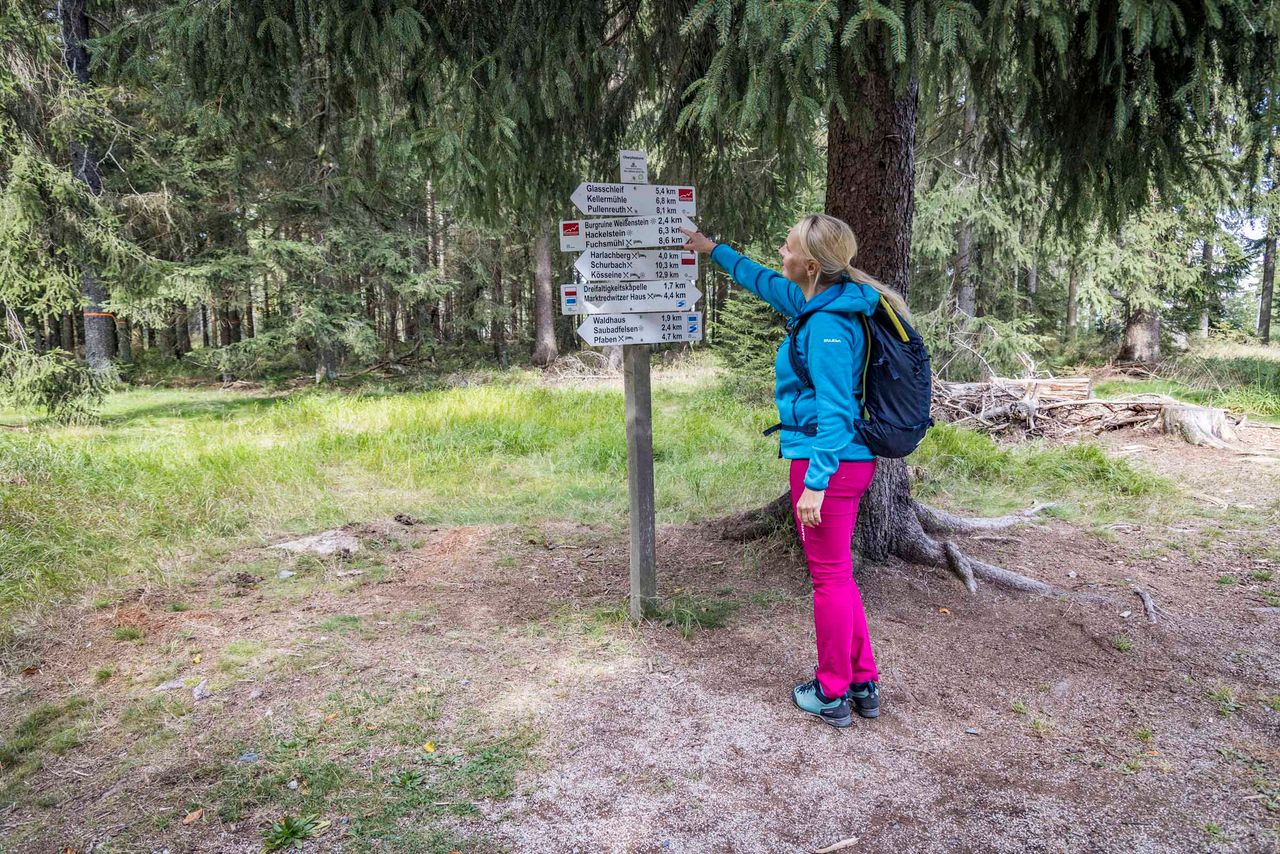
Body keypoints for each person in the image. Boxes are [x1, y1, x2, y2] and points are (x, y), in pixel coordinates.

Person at [680, 214, 909, 728]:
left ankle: (831, 691)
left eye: (785, 249)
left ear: (808, 264)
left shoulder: (826, 325)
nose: (779, 255)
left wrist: (815, 483)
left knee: (829, 581)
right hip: (840, 463)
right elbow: (761, 280)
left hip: (829, 462)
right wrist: (710, 248)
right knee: (840, 577)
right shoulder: (816, 303)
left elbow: (836, 413)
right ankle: (862, 681)